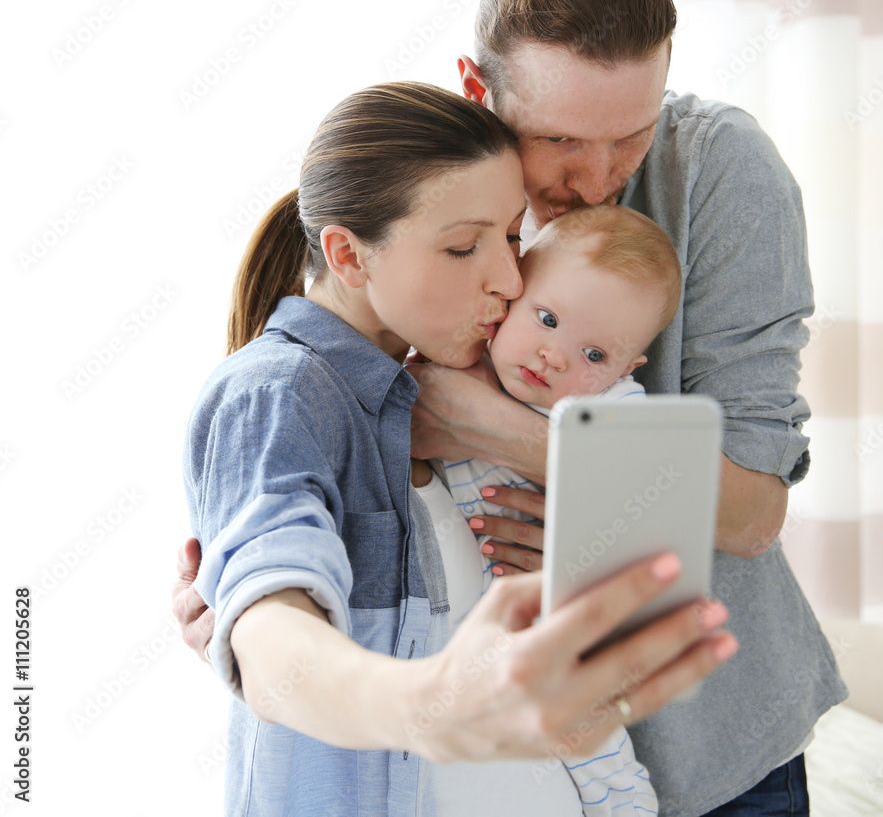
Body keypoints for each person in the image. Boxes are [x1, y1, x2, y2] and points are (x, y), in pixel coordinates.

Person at [174, 0, 847, 816]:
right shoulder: (440, 198)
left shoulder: (720, 170)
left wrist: (499, 434)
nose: (600, 178)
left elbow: (756, 511)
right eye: (560, 140)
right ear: (478, 89)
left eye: (632, 137)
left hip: (707, 743)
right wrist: (252, 610)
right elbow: (300, 499)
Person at [183, 80, 736, 817]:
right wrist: (428, 705)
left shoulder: (454, 390)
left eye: (512, 236)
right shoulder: (279, 391)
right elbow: (271, 624)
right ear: (349, 255)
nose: (509, 279)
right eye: (462, 246)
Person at [423, 203, 681, 816]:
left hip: (565, 640)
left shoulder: (615, 412)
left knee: (596, 754)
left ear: (626, 369)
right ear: (509, 296)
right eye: (546, 318)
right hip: (457, 637)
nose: (555, 357)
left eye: (595, 356)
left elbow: (654, 493)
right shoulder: (447, 366)